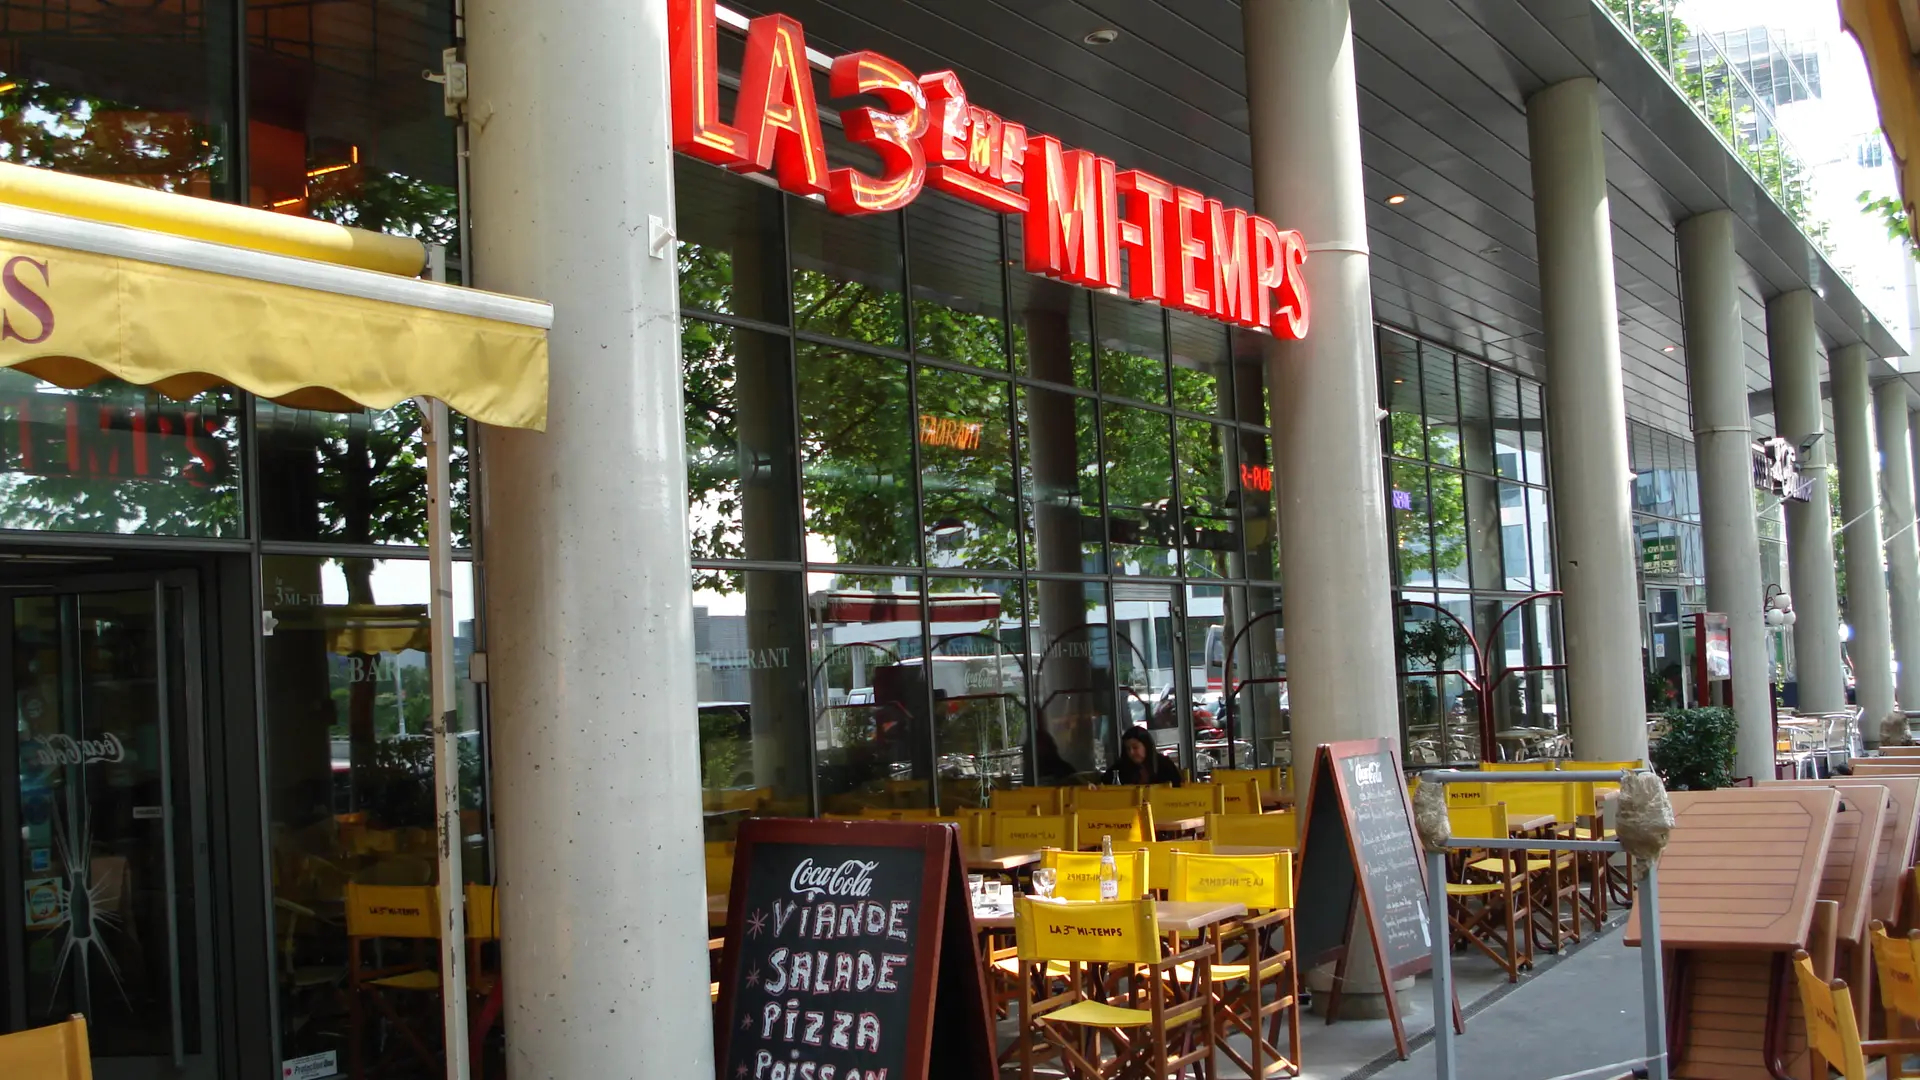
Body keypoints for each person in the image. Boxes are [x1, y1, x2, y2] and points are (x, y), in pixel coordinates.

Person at [1104, 725, 1182, 786]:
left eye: (1135, 747)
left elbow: (1178, 788)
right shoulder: (1121, 766)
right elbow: (1103, 783)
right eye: (1128, 749)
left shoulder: (1164, 764)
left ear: (1146, 746)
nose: (1131, 752)